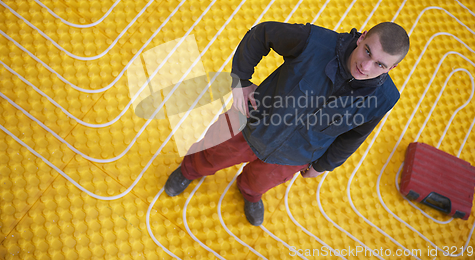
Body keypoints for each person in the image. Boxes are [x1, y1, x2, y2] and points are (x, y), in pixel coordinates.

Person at [164, 21, 410, 226]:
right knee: (212, 153)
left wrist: (323, 165)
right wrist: (241, 81)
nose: (366, 67)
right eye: (368, 51)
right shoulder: (314, 41)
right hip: (249, 123)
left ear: (393, 68)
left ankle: (250, 193)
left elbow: (354, 135)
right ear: (362, 37)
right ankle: (189, 170)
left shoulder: (385, 98)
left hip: (295, 155)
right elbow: (262, 34)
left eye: (380, 64)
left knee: (261, 181)